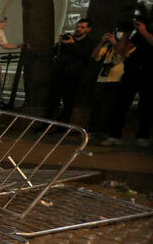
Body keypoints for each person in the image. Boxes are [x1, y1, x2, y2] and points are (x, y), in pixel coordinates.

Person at [103, 17, 153, 147]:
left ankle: (142, 136)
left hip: (149, 75)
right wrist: (127, 33)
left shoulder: (145, 33)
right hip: (132, 72)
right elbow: (121, 50)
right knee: (120, 104)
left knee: (146, 107)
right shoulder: (139, 35)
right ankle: (115, 136)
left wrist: (144, 32)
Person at [46, 18, 95, 123]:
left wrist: (72, 43)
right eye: (77, 27)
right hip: (59, 74)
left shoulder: (89, 43)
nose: (78, 29)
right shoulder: (69, 38)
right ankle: (46, 124)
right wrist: (60, 43)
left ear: (88, 29)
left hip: (73, 76)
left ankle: (62, 126)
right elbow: (54, 52)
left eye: (82, 27)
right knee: (52, 101)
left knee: (68, 102)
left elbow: (85, 55)